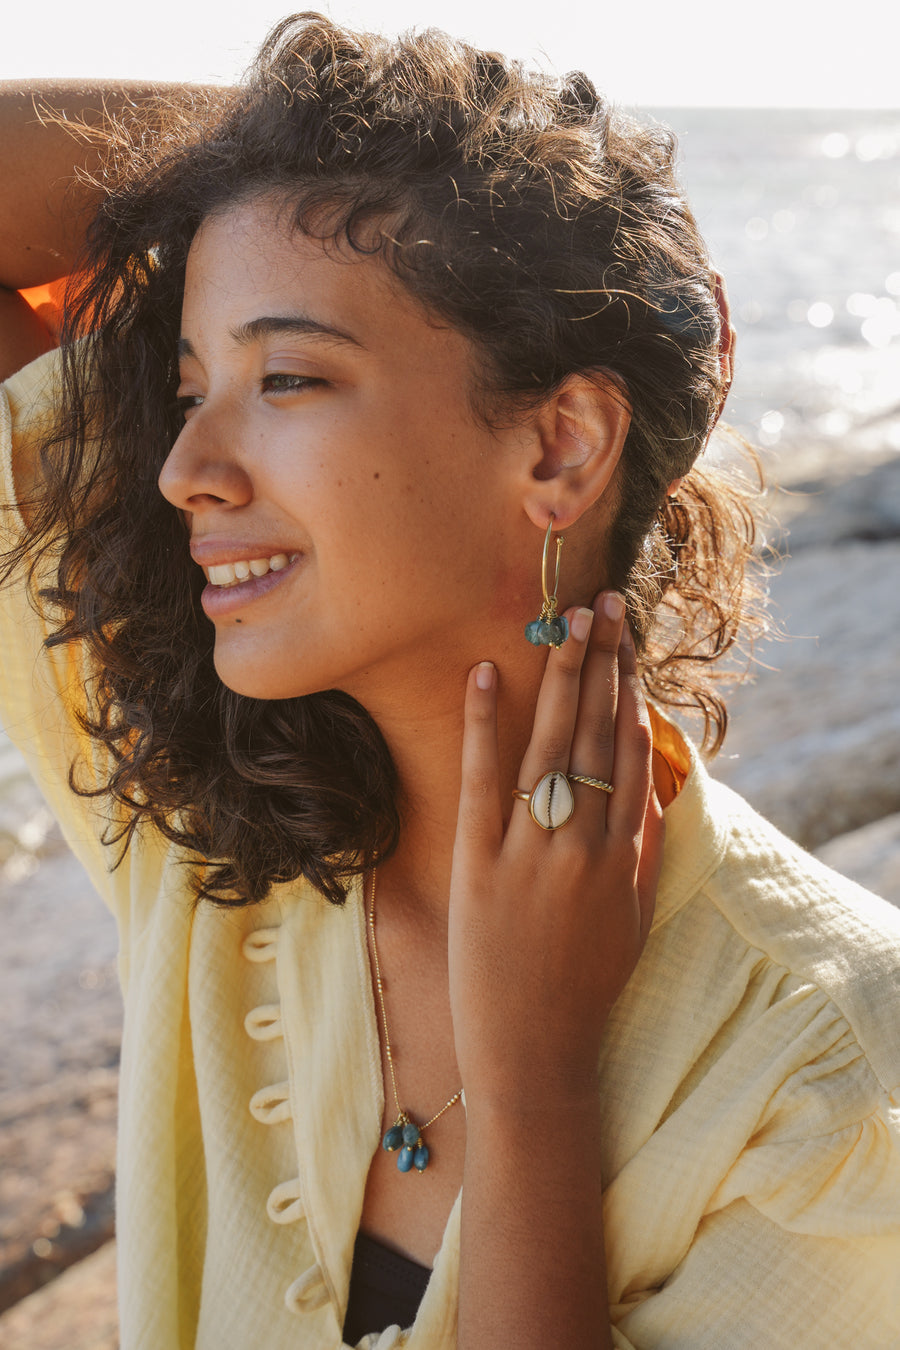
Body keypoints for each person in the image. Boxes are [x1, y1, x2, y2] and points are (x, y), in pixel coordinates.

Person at [1, 15, 898, 1349]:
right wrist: (316, 141)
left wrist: (532, 1087)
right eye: (192, 387)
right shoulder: (205, 831)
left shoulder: (825, 1064)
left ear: (561, 444)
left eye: (289, 375)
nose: (188, 466)